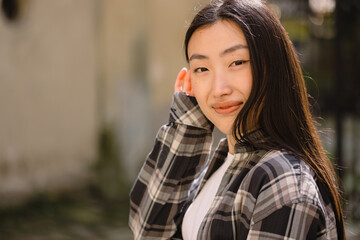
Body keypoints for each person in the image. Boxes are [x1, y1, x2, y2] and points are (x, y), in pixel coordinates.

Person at [129, 0, 346, 239]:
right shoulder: (223, 163)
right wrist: (186, 127)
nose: (218, 89)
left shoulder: (280, 179)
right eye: (202, 69)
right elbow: (148, 230)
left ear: (272, 67)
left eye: (237, 63)